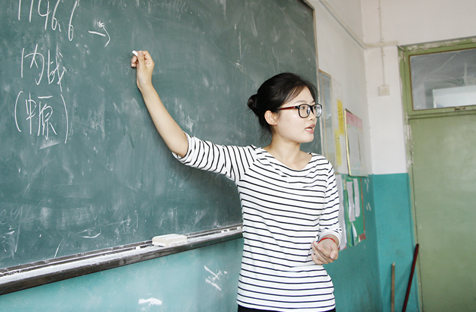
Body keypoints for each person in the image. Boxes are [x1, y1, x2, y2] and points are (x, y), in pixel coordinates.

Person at [131, 51, 341, 312]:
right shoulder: (247, 162)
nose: (312, 116)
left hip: (316, 302)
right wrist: (146, 85)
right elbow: (183, 146)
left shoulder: (322, 169)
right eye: (302, 108)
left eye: (313, 108)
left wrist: (330, 244)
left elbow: (331, 228)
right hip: (259, 302)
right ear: (272, 117)